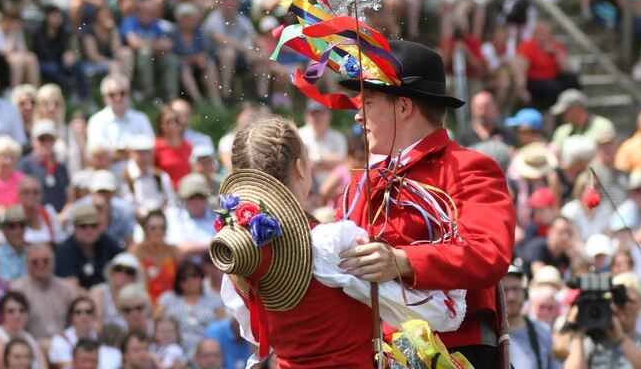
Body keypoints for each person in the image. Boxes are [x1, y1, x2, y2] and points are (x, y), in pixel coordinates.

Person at [213, 115, 464, 368]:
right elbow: (442, 315)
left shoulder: (240, 255)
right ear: (300, 167)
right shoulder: (331, 244)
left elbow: (256, 333)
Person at [336, 39, 515, 366]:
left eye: (369, 101)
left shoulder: (468, 166)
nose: (359, 115)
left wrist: (402, 260)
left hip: (456, 352)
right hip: (377, 352)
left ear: (403, 106)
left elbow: (489, 252)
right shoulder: (362, 181)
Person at [502, 262, 557, 369]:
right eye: (505, 290)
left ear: (525, 293)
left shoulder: (541, 331)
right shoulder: (488, 334)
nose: (511, 297)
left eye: (515, 289)